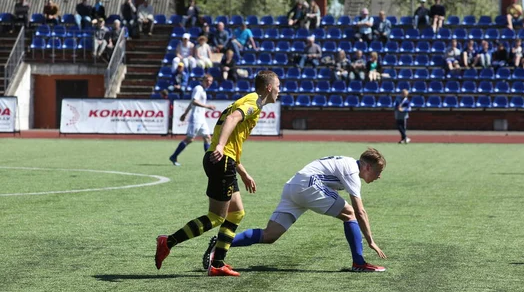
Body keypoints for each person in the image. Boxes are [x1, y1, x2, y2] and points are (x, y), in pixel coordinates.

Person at [155, 70, 281, 277]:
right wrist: (221, 147)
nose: (279, 91)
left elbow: (233, 137)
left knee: (237, 212)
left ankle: (218, 263)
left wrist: (242, 172)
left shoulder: (252, 101)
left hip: (226, 161)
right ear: (268, 87)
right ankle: (167, 242)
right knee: (216, 217)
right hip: (221, 161)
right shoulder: (254, 102)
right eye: (278, 86)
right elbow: (232, 118)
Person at [201, 148, 387, 273]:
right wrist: (371, 241)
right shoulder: (352, 171)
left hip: (294, 186)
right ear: (368, 167)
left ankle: (222, 243)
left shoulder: (346, 162)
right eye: (378, 172)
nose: (378, 177)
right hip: (308, 186)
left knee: (269, 235)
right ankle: (359, 263)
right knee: (351, 214)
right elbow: (360, 211)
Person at [169, 75, 217, 166]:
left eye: (211, 81)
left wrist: (185, 113)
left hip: (201, 118)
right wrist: (208, 106)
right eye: (207, 80)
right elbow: (194, 101)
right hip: (196, 118)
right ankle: (174, 156)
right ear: (203, 80)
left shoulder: (203, 90)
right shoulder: (198, 88)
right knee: (190, 139)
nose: (209, 83)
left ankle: (210, 161)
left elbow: (192, 102)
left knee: (207, 137)